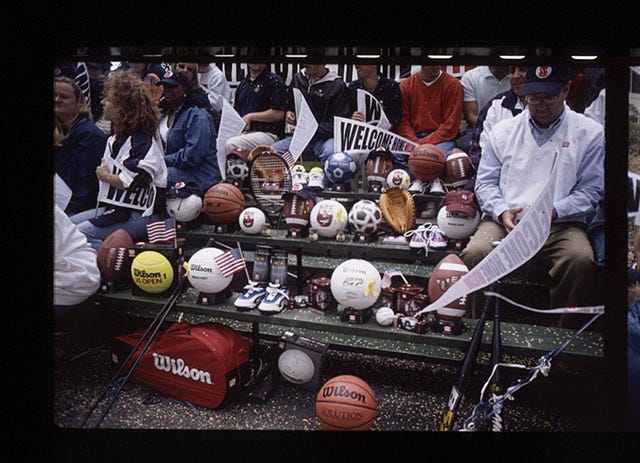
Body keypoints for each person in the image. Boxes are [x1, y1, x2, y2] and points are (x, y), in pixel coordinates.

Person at [460, 66, 604, 325]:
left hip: (560, 224)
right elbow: (485, 184)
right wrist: (502, 211)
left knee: (580, 259)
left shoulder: (590, 132)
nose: (541, 105)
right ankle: (475, 329)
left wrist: (554, 210)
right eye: (533, 98)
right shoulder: (502, 131)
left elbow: (591, 191)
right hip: (506, 222)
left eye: (549, 97)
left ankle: (561, 346)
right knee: (475, 252)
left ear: (566, 90)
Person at [70, 70, 169, 250]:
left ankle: (121, 263)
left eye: (107, 99)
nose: (102, 103)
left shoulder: (142, 140)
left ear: (123, 107)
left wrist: (105, 176)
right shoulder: (115, 138)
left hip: (145, 214)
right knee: (67, 226)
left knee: (82, 233)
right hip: (119, 209)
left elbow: (135, 181)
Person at [271, 51, 352, 163]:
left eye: (310, 62)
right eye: (305, 61)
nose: (306, 65)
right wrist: (289, 112)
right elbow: (290, 104)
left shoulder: (337, 85)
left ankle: (325, 181)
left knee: (332, 153)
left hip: (325, 140)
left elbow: (337, 124)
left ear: (322, 63)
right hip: (300, 139)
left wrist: (309, 131)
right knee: (274, 150)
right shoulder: (298, 79)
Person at [157, 70, 221, 196]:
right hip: (172, 168)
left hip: (200, 175)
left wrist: (161, 161)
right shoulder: (162, 115)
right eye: (165, 86)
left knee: (156, 175)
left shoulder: (198, 116)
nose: (167, 90)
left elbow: (193, 155)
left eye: (173, 86)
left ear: (185, 89)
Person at [54, 76, 108, 215]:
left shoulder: (88, 134)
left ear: (79, 102)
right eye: (54, 95)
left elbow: (81, 189)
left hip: (79, 208)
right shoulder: (59, 131)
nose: (57, 99)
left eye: (64, 96)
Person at [467, 66, 528, 168]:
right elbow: (478, 151)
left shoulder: (547, 107)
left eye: (522, 70)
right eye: (512, 71)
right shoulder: (495, 106)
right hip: (496, 177)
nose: (516, 76)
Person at [397, 65, 463, 157]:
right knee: (393, 155)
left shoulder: (453, 85)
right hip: (412, 138)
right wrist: (414, 143)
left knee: (435, 159)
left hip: (442, 140)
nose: (436, 65)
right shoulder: (405, 86)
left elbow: (451, 126)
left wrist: (423, 144)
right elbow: (403, 123)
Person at [224, 62, 287, 154]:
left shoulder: (274, 81)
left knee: (232, 144)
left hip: (269, 134)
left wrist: (250, 117)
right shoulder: (243, 84)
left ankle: (244, 168)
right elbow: (237, 110)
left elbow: (279, 113)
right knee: (220, 143)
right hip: (244, 133)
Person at [348, 62, 402, 132]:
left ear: (374, 64)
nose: (356, 67)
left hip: (385, 137)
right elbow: (345, 117)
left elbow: (395, 120)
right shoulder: (353, 87)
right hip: (359, 136)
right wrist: (351, 119)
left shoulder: (391, 87)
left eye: (361, 63)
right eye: (356, 63)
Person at [197, 62, 232, 129]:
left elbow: (216, 105)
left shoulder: (217, 75)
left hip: (218, 118)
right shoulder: (196, 74)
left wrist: (198, 88)